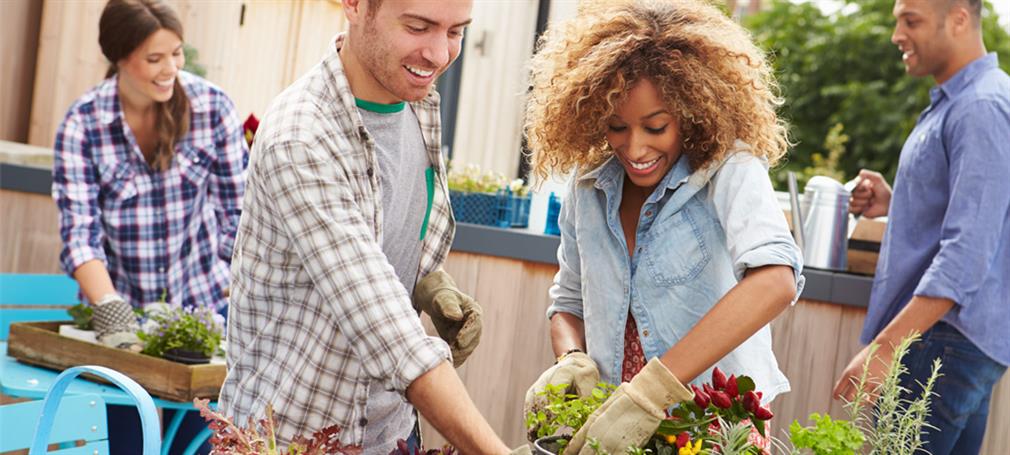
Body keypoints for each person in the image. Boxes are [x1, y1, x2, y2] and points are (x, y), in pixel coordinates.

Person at [219, 1, 524, 453]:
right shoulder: (303, 137)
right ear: (355, 5)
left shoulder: (415, 109)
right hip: (291, 438)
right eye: (418, 27)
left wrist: (426, 284)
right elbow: (393, 338)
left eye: (456, 32)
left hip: (390, 432)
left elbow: (378, 236)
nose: (439, 54)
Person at [521, 1, 804, 453]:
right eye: (617, 127)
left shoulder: (728, 168)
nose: (635, 148)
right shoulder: (589, 184)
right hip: (616, 425)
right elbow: (568, 300)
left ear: (690, 108)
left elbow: (775, 280)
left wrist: (653, 390)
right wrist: (572, 358)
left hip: (713, 425)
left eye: (656, 127)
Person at [51, 0, 247, 452]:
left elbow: (239, 217)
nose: (170, 70)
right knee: (127, 444)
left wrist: (245, 297)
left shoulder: (212, 108)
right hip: (123, 322)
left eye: (176, 54)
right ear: (120, 58)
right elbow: (80, 234)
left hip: (203, 317)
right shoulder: (84, 124)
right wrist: (111, 309)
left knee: (196, 444)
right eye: (154, 59)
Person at [832, 1, 1009, 453]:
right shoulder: (965, 102)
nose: (897, 34)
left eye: (911, 21)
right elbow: (982, 214)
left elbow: (967, 253)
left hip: (940, 342)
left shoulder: (981, 107)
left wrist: (885, 349)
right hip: (949, 343)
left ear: (960, 19)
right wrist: (898, 201)